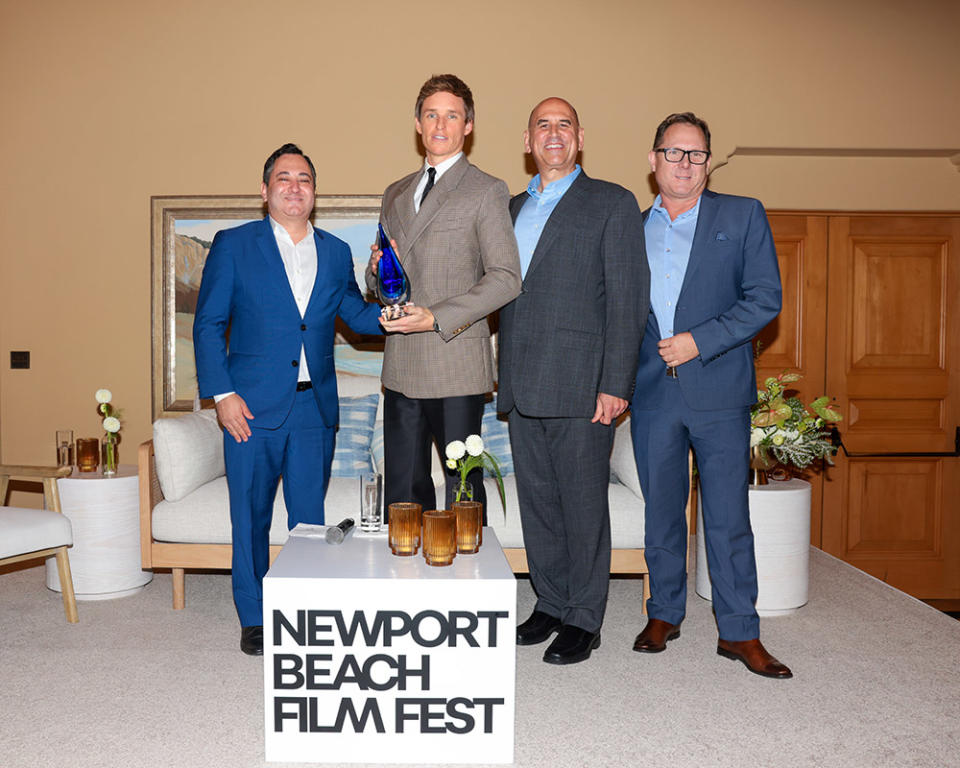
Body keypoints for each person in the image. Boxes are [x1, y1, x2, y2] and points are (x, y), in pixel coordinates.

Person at [193, 143, 383, 656]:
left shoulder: (337, 251)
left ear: (314, 193)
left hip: (313, 410)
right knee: (250, 516)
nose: (294, 186)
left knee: (308, 520)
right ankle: (254, 616)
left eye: (304, 179)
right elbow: (208, 324)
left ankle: (303, 608)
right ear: (265, 190)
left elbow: (358, 317)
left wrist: (397, 310)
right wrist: (222, 394)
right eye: (284, 178)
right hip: (248, 409)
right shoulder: (234, 245)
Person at [630, 113, 792, 678]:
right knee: (662, 513)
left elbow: (764, 298)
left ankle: (739, 632)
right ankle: (664, 613)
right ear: (653, 160)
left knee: (727, 515)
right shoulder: (630, 225)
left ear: (708, 162)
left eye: (696, 155)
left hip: (720, 389)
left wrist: (699, 341)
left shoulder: (742, 214)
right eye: (673, 153)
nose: (685, 165)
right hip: (651, 394)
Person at [498, 97, 648, 665]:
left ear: (579, 138)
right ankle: (552, 602)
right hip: (521, 382)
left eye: (564, 125)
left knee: (583, 504)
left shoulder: (611, 202)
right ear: (528, 139)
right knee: (538, 502)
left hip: (586, 386)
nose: (553, 133)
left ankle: (585, 618)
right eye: (543, 124)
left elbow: (629, 302)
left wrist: (616, 384)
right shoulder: (509, 207)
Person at [368, 74, 521, 514]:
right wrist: (377, 272)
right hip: (401, 365)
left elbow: (507, 277)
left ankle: (466, 581)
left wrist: (435, 316)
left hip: (454, 360)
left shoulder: (486, 189)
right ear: (417, 122)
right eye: (431, 114)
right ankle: (405, 579)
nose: (440, 124)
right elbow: (385, 282)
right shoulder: (395, 192)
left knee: (462, 496)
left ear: (468, 126)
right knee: (402, 494)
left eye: (451, 115)